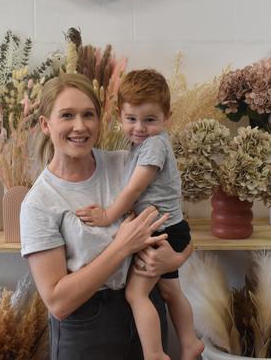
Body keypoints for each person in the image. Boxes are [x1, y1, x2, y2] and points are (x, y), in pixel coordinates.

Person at [20, 73, 192, 360]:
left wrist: (176, 260)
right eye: (67, 115)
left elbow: (176, 224)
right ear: (45, 125)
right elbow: (58, 303)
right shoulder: (39, 203)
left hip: (145, 317)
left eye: (89, 114)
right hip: (86, 331)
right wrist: (122, 246)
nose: (80, 126)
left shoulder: (125, 165)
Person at [76, 69, 204, 360]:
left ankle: (155, 352)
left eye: (150, 120)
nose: (139, 127)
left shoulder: (155, 145)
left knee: (136, 294)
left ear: (166, 116)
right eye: (131, 119)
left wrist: (108, 216)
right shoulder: (140, 146)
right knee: (171, 292)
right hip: (170, 228)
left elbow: (134, 190)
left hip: (160, 232)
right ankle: (189, 341)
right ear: (120, 116)